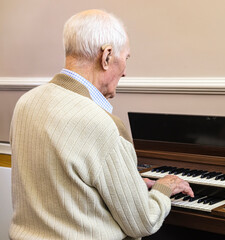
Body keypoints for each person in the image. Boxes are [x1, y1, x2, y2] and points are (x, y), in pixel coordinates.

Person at [9, 9, 193, 240]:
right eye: (126, 58)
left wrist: (130, 185)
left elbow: (66, 184)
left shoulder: (25, 103)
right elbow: (143, 223)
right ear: (106, 56)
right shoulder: (102, 124)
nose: (125, 72)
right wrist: (163, 188)